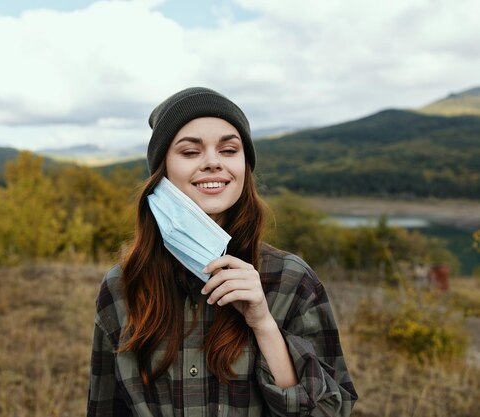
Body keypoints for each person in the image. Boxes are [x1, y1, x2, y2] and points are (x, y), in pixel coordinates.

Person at [87, 87, 358, 417]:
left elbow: (331, 411)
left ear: (244, 167)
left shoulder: (292, 280)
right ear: (162, 170)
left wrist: (263, 324)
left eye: (229, 150)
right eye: (190, 153)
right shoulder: (121, 286)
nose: (213, 162)